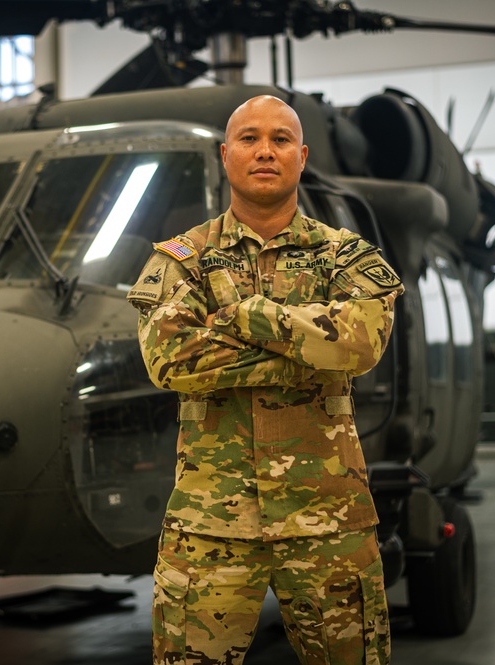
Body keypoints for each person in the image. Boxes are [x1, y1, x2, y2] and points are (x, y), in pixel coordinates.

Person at [127, 95, 403, 664]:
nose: (265, 151)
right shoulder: (182, 259)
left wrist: (248, 317)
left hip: (328, 523)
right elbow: (170, 361)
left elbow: (361, 343)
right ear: (225, 156)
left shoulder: (345, 256)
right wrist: (306, 353)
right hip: (211, 527)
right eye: (250, 139)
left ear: (301, 157)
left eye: (280, 140)